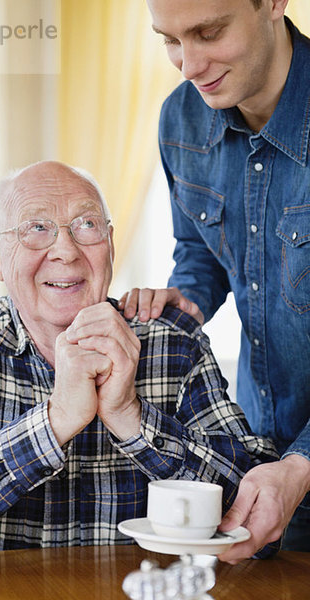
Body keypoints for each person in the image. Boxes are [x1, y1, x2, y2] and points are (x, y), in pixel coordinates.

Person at [0, 160, 278, 571]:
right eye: (36, 228)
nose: (66, 251)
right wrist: (53, 422)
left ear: (110, 243)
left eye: (86, 224)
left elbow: (263, 519)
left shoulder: (172, 341)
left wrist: (132, 419)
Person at [119, 0, 310, 560]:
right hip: (263, 472)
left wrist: (301, 465)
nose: (189, 65)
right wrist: (190, 297)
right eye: (170, 40)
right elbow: (200, 252)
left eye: (208, 32)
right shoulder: (180, 118)